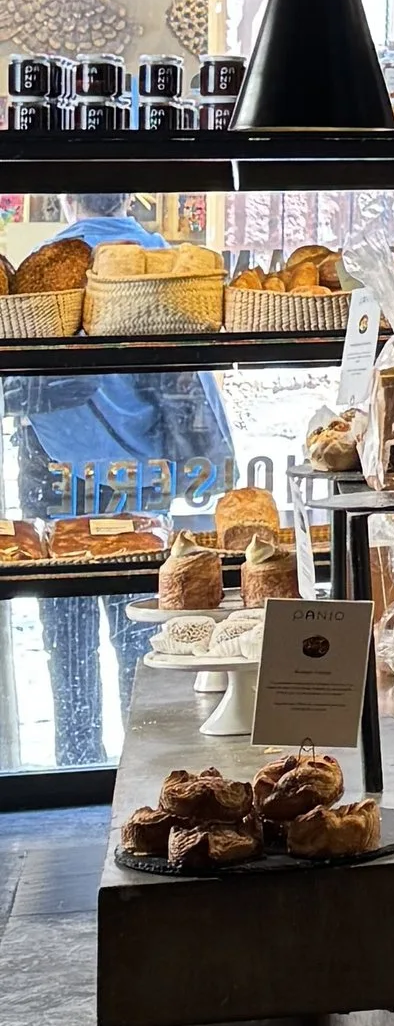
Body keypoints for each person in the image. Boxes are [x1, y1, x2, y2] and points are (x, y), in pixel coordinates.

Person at [5, 205, 234, 776]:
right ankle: (153, 770)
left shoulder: (44, 273)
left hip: (57, 479)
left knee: (69, 637)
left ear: (64, 199)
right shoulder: (162, 262)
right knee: (143, 632)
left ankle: (77, 764)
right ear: (131, 199)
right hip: (141, 479)